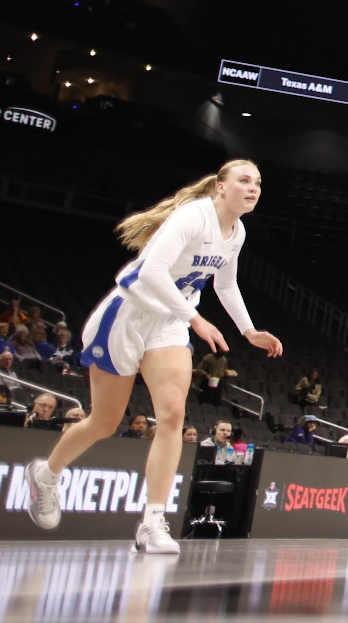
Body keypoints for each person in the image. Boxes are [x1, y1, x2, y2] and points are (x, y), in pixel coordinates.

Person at [23, 160, 284, 555]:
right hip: (127, 316)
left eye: (258, 183)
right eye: (244, 180)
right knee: (104, 422)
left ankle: (152, 521)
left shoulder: (237, 231)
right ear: (220, 187)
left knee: (173, 416)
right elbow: (151, 273)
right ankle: (45, 475)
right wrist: (195, 318)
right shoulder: (192, 217)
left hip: (169, 326)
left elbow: (226, 284)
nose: (253, 188)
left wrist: (249, 331)